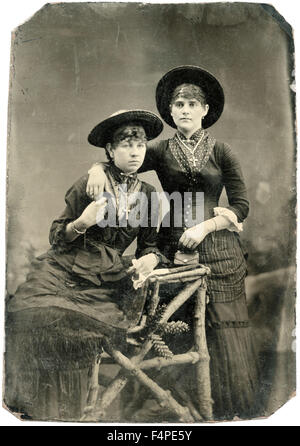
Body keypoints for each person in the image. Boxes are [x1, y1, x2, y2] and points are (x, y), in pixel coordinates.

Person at [86, 66, 260, 421]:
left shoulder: (222, 150)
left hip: (219, 248)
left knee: (223, 331)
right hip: (172, 246)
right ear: (170, 111)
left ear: (205, 110)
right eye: (177, 104)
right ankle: (170, 406)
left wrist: (207, 226)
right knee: (170, 325)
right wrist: (94, 169)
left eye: (191, 104)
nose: (183, 109)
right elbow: (122, 158)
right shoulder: (161, 149)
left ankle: (231, 412)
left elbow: (241, 205)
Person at [5, 109, 166, 421]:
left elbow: (150, 245)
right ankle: (34, 406)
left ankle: (69, 408)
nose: (134, 152)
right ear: (109, 150)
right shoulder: (90, 183)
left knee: (74, 323)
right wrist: (82, 221)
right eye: (125, 145)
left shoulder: (150, 196)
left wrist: (150, 258)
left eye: (140, 146)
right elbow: (57, 237)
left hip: (107, 278)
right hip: (64, 267)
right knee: (26, 311)